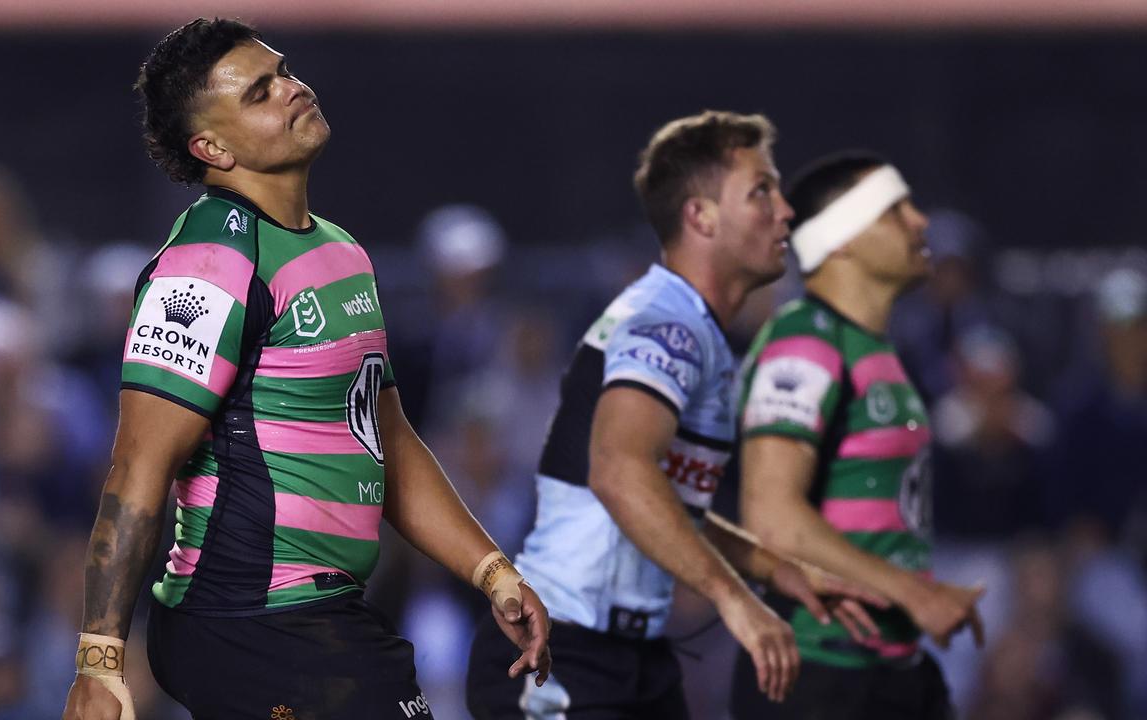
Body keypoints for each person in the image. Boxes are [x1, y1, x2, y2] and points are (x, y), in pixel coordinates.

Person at [61, 18, 550, 720]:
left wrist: (492, 570)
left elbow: (386, 439)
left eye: (283, 71)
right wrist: (101, 660)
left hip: (316, 616)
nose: (293, 90)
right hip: (249, 619)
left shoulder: (341, 251)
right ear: (212, 147)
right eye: (261, 92)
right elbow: (138, 465)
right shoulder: (207, 267)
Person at [466, 111, 887, 719]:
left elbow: (662, 500)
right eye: (761, 191)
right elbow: (620, 473)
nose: (785, 211)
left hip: (628, 659)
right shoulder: (668, 325)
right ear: (701, 216)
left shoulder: (697, 331)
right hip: (559, 652)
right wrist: (736, 598)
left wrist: (774, 568)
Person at [731, 151, 986, 719]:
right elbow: (771, 518)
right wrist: (918, 595)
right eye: (894, 211)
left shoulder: (879, 350)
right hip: (817, 675)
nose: (919, 223)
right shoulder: (806, 342)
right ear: (840, 239)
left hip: (889, 673)